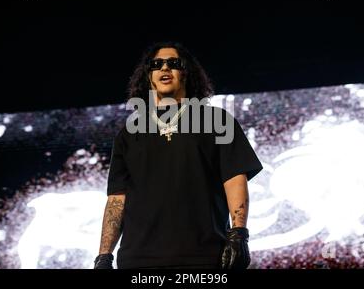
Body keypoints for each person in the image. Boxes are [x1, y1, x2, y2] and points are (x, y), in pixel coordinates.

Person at [94, 41, 263, 269]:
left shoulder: (217, 121)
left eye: (173, 63)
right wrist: (104, 255)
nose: (164, 68)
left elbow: (234, 178)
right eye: (157, 64)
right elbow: (117, 199)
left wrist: (239, 234)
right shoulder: (128, 134)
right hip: (137, 260)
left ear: (185, 72)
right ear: (149, 76)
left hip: (204, 257)